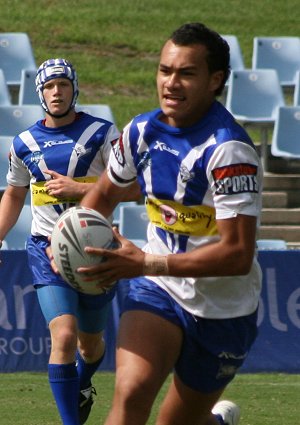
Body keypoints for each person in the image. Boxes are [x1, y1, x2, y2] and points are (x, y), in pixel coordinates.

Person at [78, 22, 263, 425]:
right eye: (165, 70)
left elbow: (237, 254)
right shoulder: (141, 131)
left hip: (223, 308)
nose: (171, 83)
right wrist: (73, 238)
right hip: (157, 289)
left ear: (216, 80)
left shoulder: (229, 149)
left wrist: (145, 263)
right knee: (129, 396)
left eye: (186, 73)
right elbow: (105, 193)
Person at [0, 58, 139, 425]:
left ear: (74, 88)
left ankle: (83, 382)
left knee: (90, 346)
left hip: (94, 252)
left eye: (62, 84)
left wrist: (80, 188)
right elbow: (14, 195)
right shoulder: (24, 142)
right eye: (49, 86)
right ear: (40, 94)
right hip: (45, 250)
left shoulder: (103, 134)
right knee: (62, 336)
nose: (56, 92)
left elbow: (137, 188)